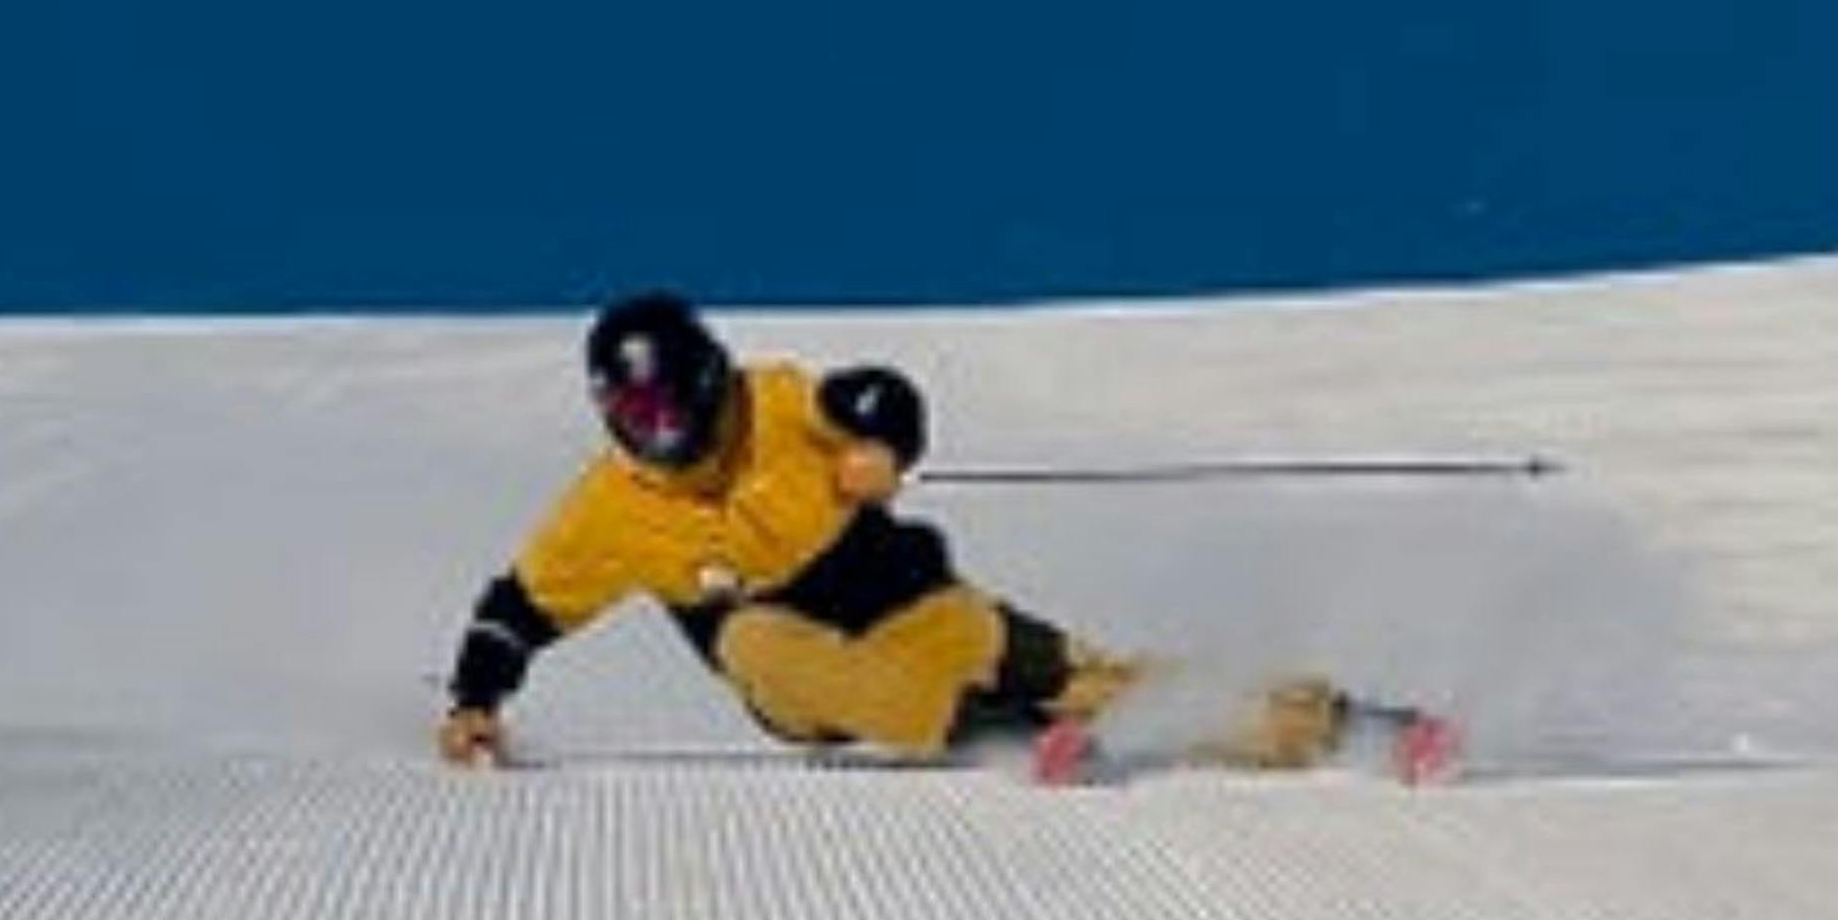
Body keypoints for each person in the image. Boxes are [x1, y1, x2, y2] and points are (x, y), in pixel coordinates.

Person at [435, 293, 1349, 771]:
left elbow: (880, 399)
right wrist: (475, 703)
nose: (662, 423)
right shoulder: (608, 508)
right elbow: (517, 609)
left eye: (673, 395)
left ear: (710, 375)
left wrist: (883, 450)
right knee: (754, 639)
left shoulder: (777, 403)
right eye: (637, 405)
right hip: (801, 667)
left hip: (900, 598)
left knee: (1082, 679)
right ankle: (991, 732)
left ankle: (1332, 725)